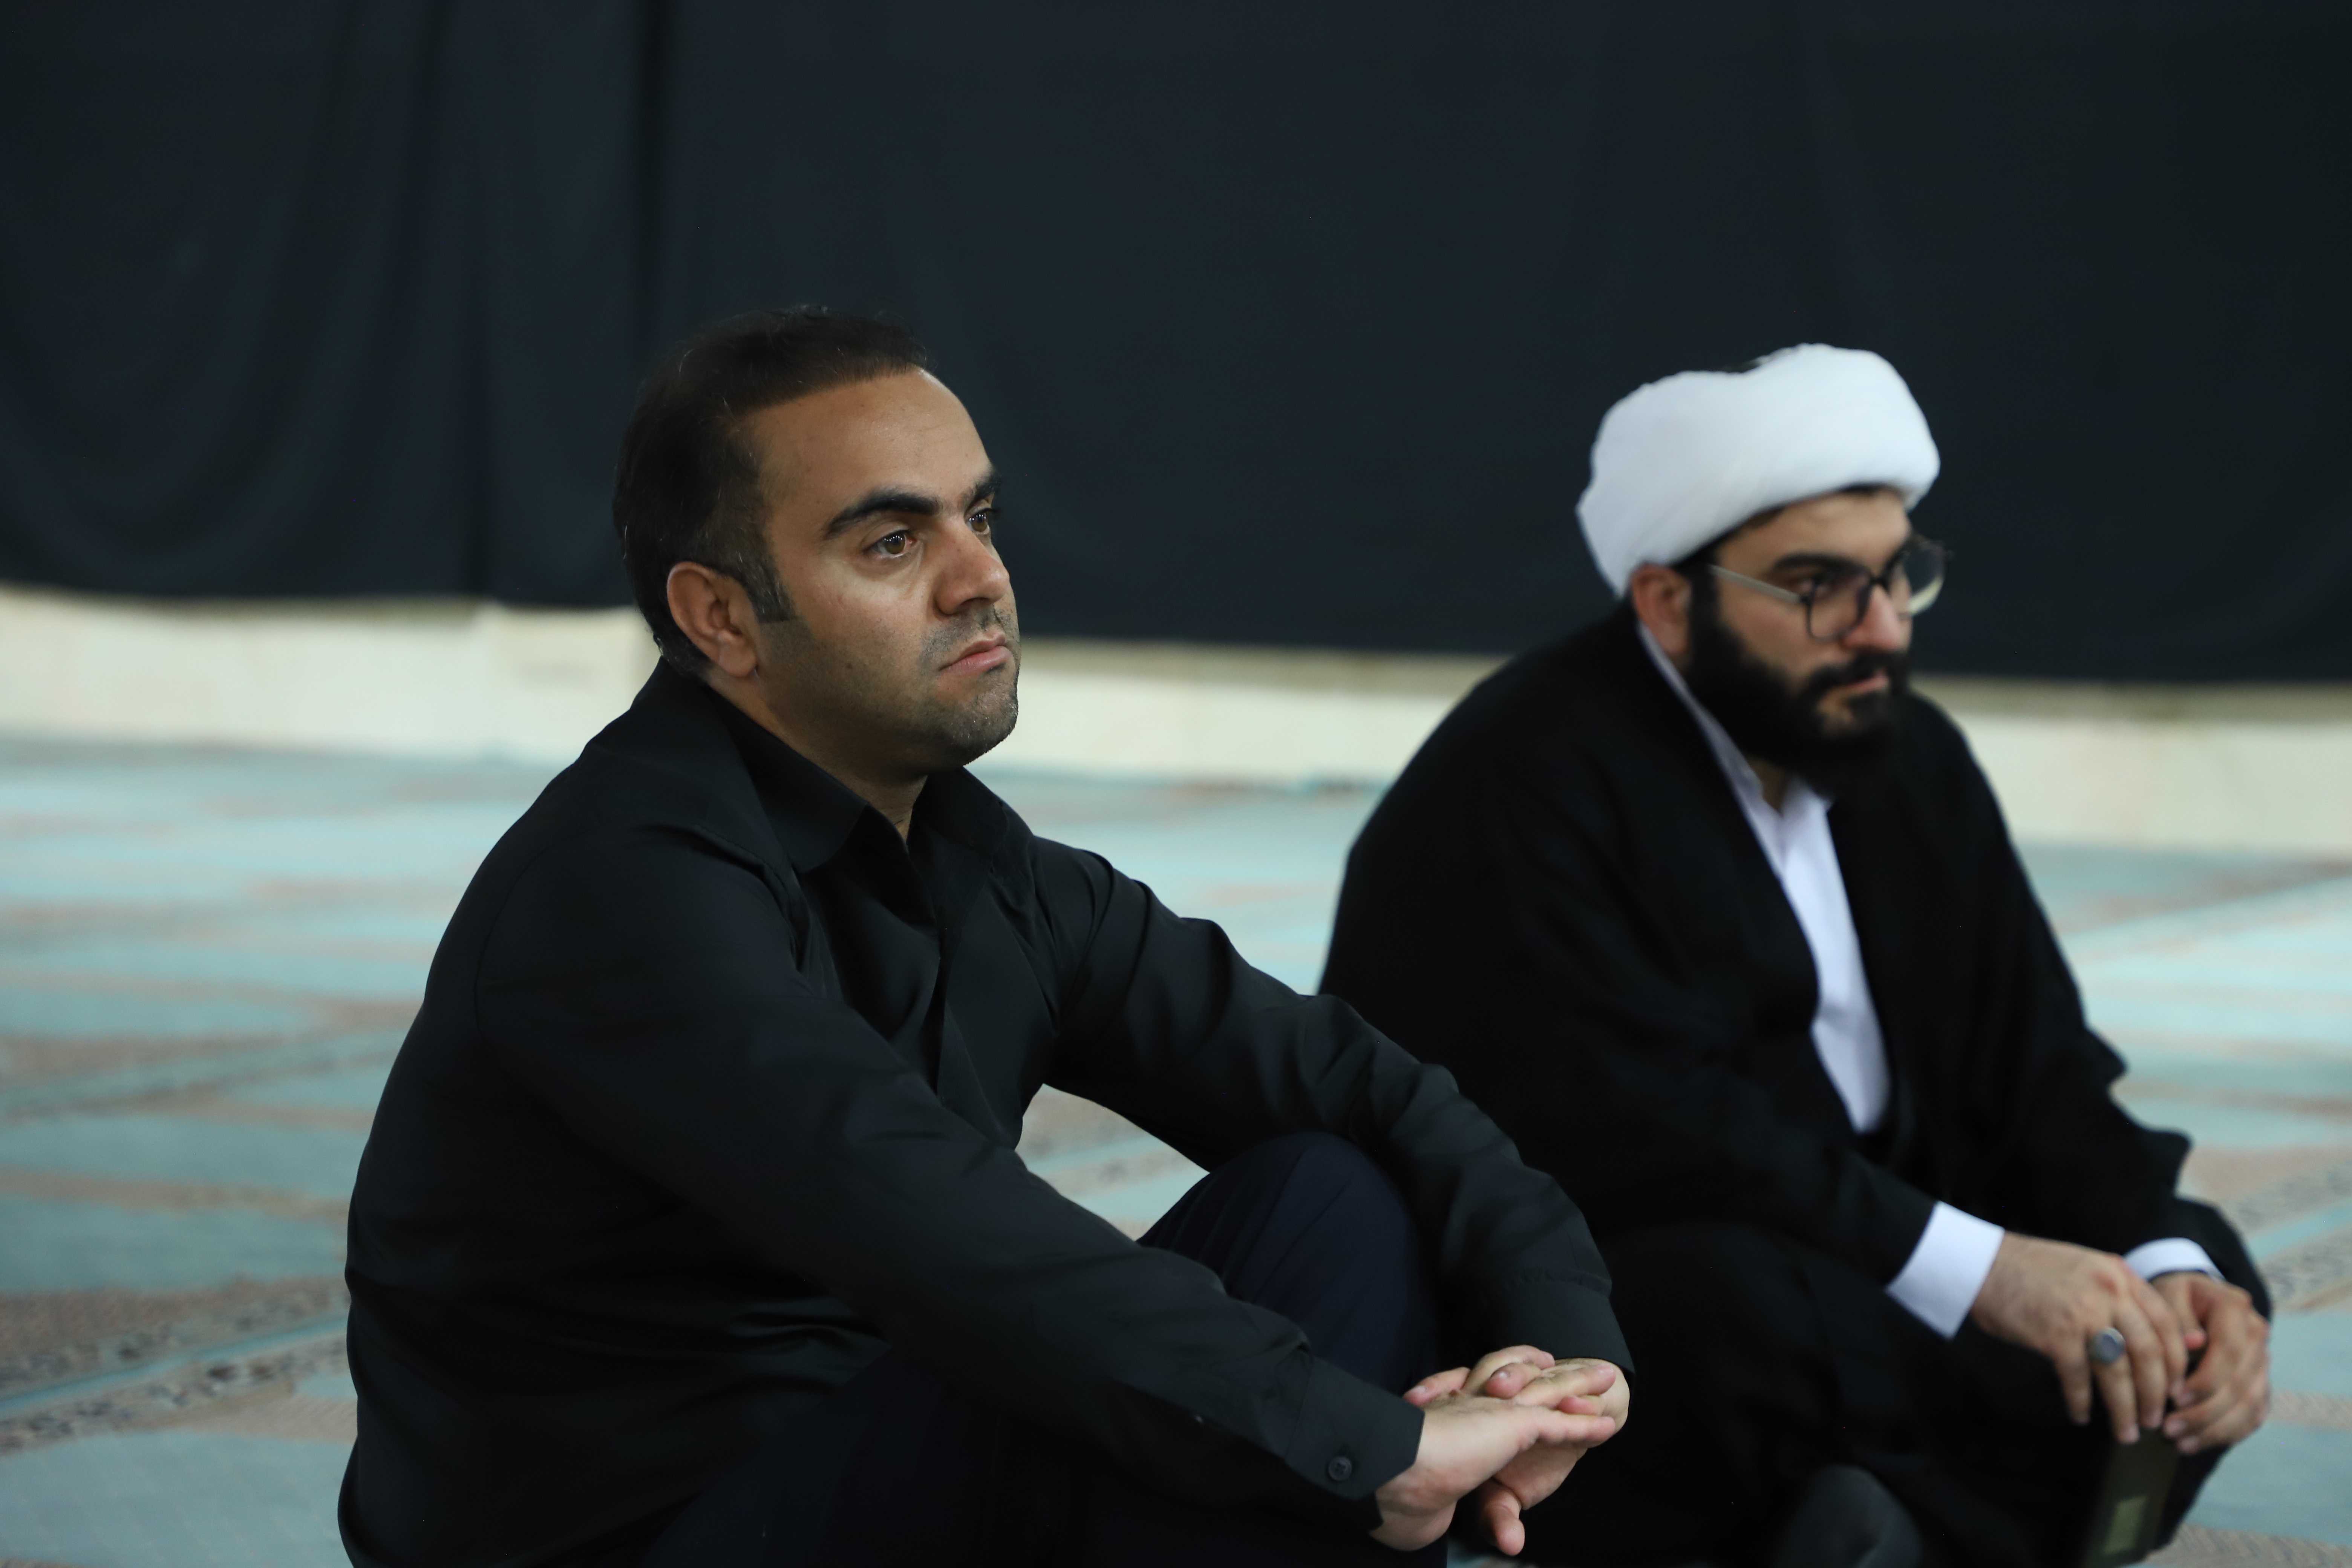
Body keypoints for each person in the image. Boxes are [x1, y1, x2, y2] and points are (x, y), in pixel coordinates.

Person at [338, 308, 1632, 1568]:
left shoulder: (979, 864)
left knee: (1330, 1197)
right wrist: (1370, 1449)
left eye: (983, 517)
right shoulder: (619, 894)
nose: (983, 580)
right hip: (654, 1527)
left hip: (876, 1460)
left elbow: (1357, 1087)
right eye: (894, 543)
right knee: (1220, 1404)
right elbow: (945, 1236)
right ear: (721, 618)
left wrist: (1556, 1350)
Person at [1321, 346, 2271, 1567]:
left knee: (2192, 1296)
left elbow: (2041, 1071)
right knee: (1742, 1325)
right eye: (1819, 586)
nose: (1880, 628)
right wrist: (1982, 1274)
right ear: (1669, 603)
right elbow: (1657, 1133)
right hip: (1604, 1267)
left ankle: (1878, 1525)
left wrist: (2162, 1259)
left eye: (1897, 575)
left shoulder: (1908, 757)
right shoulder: (1525, 776)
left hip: (1855, 1247)